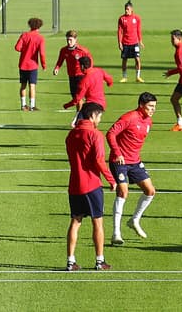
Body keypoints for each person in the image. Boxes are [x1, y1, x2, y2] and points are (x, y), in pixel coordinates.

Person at [65, 101, 114, 271]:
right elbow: (99, 160)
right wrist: (111, 179)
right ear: (93, 116)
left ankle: (70, 261)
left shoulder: (71, 135)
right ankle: (99, 260)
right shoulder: (95, 135)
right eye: (99, 116)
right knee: (97, 222)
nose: (100, 120)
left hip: (74, 184)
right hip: (92, 184)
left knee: (75, 221)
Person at [106, 92, 158, 245]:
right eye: (150, 106)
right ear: (141, 105)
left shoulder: (149, 121)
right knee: (123, 191)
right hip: (119, 161)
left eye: (154, 106)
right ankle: (116, 233)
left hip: (135, 162)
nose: (153, 109)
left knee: (150, 191)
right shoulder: (129, 117)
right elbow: (110, 133)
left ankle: (134, 220)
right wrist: (117, 152)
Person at [65, 54, 114, 119]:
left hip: (91, 106)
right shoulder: (99, 71)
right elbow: (110, 79)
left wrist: (67, 105)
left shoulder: (84, 80)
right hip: (102, 104)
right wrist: (109, 84)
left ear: (82, 66)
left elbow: (77, 98)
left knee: (79, 123)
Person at [15, 16, 47, 111]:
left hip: (23, 64)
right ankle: (32, 106)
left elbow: (17, 47)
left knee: (23, 85)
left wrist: (24, 50)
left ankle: (23, 105)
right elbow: (42, 53)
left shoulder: (24, 35)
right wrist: (44, 65)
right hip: (33, 65)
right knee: (32, 86)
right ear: (39, 27)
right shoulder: (40, 38)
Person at [53, 30, 91, 100]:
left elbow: (90, 62)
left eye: (70, 40)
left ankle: (81, 111)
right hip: (71, 76)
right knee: (75, 97)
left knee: (79, 97)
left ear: (75, 40)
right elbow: (60, 61)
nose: (69, 42)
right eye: (67, 40)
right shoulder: (64, 50)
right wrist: (56, 68)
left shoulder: (82, 51)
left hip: (81, 75)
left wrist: (89, 73)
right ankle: (80, 110)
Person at [117, 1, 144, 82]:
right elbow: (119, 31)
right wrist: (120, 43)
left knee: (137, 59)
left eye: (128, 9)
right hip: (125, 43)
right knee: (124, 60)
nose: (126, 11)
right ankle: (124, 77)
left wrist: (140, 41)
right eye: (125, 9)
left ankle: (138, 77)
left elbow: (139, 30)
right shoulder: (122, 19)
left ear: (132, 9)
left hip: (134, 43)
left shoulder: (137, 18)